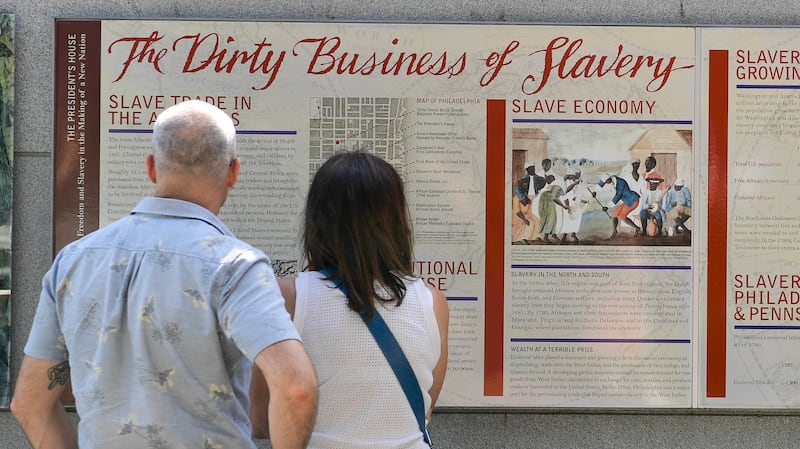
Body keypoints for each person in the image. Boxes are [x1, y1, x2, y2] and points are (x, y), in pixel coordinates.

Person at [11, 100, 318, 449]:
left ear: (151, 168)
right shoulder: (236, 265)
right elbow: (295, 387)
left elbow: (29, 404)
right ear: (233, 172)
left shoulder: (73, 261)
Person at [251, 151, 449, 449]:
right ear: (396, 220)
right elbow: (425, 408)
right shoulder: (432, 302)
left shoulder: (287, 298)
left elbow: (260, 420)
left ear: (316, 220)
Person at [595, 173, 642, 239]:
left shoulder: (620, 182)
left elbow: (618, 196)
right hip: (627, 201)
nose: (606, 183)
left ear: (609, 179)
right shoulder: (612, 180)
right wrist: (595, 192)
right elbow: (601, 184)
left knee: (622, 216)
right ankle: (615, 231)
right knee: (614, 215)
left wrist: (607, 206)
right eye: (605, 182)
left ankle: (637, 228)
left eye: (607, 182)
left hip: (633, 200)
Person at [512, 177, 539, 244]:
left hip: (526, 214)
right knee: (528, 222)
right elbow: (517, 211)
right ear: (520, 186)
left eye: (527, 185)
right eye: (524, 185)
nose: (526, 187)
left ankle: (528, 237)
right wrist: (524, 219)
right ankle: (520, 237)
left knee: (536, 221)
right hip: (517, 215)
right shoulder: (517, 197)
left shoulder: (526, 195)